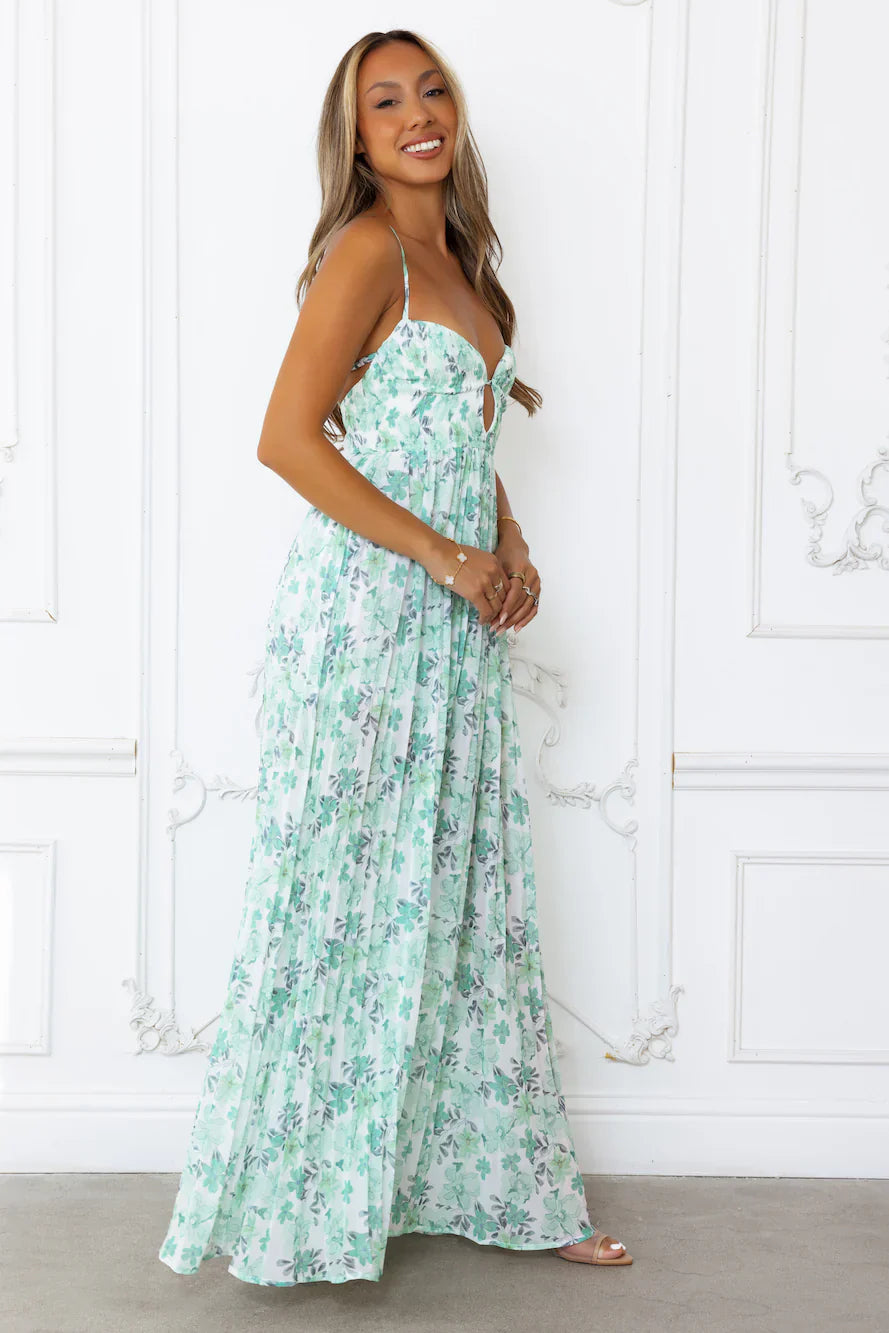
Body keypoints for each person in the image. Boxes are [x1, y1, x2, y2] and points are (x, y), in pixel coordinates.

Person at [158, 27, 632, 1285]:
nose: (418, 113)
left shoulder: (462, 266)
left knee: (462, 906)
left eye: (432, 92)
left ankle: (510, 1187)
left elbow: (452, 443)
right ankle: (300, 1212)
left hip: (450, 631)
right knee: (342, 908)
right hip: (365, 625)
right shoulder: (368, 251)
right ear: (357, 138)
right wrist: (444, 554)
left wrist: (508, 542)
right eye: (386, 102)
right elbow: (287, 438)